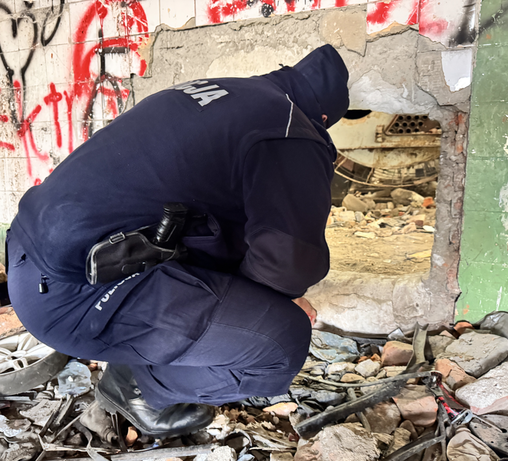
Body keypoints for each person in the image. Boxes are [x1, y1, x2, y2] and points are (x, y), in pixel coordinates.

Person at [6, 44, 349, 437]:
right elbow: (287, 265)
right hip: (74, 296)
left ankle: (143, 356)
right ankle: (138, 388)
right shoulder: (291, 129)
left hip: (36, 258)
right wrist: (276, 302)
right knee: (279, 345)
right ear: (324, 116)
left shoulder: (224, 92)